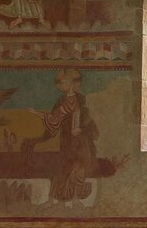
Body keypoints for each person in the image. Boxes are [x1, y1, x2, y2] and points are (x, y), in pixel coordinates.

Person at [28, 69, 100, 205]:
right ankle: (52, 199)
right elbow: (54, 119)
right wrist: (36, 113)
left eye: (65, 82)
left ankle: (76, 198)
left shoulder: (83, 99)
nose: (62, 86)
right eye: (61, 83)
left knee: (80, 166)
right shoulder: (61, 101)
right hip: (67, 139)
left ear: (72, 83)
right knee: (63, 166)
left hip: (81, 140)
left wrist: (82, 129)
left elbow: (90, 120)